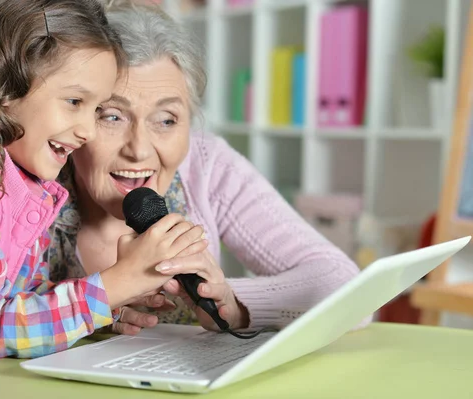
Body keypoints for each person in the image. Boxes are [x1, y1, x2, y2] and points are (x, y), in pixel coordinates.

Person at [0, 1, 207, 398]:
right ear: (3, 87)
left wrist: (105, 308)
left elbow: (12, 297)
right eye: (74, 102)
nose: (86, 130)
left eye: (98, 110)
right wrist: (112, 286)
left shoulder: (17, 177)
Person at [47, 0, 371, 336]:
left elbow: (348, 288)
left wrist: (236, 303)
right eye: (111, 116)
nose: (139, 149)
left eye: (166, 119)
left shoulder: (206, 164)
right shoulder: (36, 170)